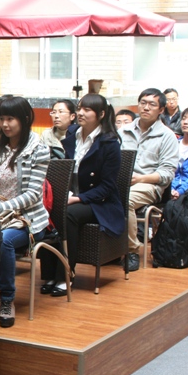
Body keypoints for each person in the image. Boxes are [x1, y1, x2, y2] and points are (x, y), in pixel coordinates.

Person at [0, 96, 50, 328]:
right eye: (2, 119)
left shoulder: (38, 150)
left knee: (3, 240)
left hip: (27, 219)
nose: (5, 124)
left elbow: (33, 195)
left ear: (25, 119)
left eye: (10, 119)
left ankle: (7, 299)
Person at [40, 94, 123, 295]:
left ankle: (66, 274)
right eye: (79, 108)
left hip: (99, 201)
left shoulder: (109, 143)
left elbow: (107, 187)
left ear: (101, 114)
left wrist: (77, 198)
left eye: (87, 109)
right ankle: (49, 274)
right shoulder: (72, 134)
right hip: (72, 194)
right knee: (45, 210)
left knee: (69, 214)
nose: (81, 113)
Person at [119, 88, 178, 272]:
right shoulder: (123, 131)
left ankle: (132, 251)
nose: (146, 107)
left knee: (125, 200)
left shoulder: (167, 136)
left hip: (150, 185)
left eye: (152, 104)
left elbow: (167, 173)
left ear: (161, 110)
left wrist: (141, 178)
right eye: (143, 103)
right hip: (122, 182)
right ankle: (108, 248)